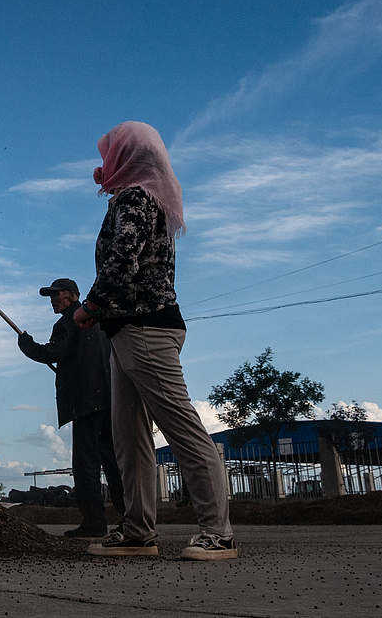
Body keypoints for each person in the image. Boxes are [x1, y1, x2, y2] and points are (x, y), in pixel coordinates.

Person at [73, 121, 237, 561]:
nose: (105, 161)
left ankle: (218, 533)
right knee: (130, 438)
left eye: (112, 152)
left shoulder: (135, 197)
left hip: (146, 329)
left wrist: (89, 307)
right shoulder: (150, 198)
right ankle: (137, 531)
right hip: (129, 331)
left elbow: (121, 261)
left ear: (127, 156)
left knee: (181, 428)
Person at [18, 277, 124, 538]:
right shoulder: (99, 321)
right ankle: (131, 516)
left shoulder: (68, 321)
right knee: (113, 461)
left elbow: (54, 353)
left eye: (58, 294)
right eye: (51, 296)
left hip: (85, 401)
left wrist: (27, 346)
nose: (53, 300)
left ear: (73, 296)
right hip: (108, 397)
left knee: (85, 464)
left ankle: (94, 523)